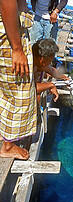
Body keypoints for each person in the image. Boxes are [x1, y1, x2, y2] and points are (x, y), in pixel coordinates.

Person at [0, 0, 37, 160]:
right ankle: (7, 146)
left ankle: (5, 134)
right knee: (20, 91)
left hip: (10, 30)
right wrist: (17, 48)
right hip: (10, 34)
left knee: (5, 89)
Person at [32, 38, 69, 104]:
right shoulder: (28, 66)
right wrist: (50, 85)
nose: (49, 63)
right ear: (42, 58)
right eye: (49, 61)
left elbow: (51, 70)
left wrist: (65, 78)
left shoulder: (40, 63)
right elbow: (31, 88)